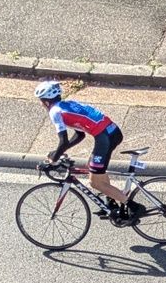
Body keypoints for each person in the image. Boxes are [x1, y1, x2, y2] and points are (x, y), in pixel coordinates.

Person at [34, 80, 145, 220]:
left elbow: (63, 141)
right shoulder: (67, 105)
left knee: (95, 182)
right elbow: (80, 135)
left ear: (46, 102)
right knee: (94, 167)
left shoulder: (55, 111)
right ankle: (111, 204)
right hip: (111, 131)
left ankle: (135, 207)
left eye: (41, 101)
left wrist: (52, 160)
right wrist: (58, 153)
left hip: (105, 137)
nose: (41, 104)